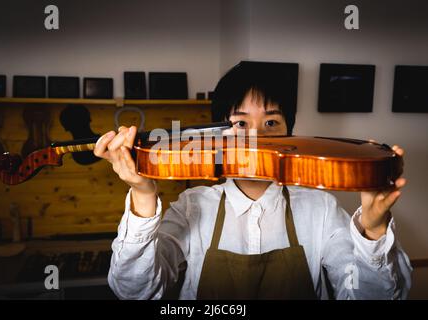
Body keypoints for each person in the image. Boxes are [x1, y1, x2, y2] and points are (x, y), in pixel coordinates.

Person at [94, 62, 412, 299]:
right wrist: (143, 194)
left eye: (271, 121)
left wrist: (372, 228)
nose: (257, 136)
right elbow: (134, 292)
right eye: (241, 123)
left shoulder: (321, 208)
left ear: (290, 132)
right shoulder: (192, 206)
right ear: (218, 134)